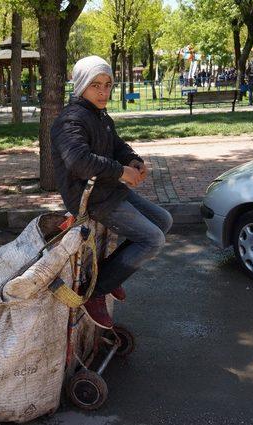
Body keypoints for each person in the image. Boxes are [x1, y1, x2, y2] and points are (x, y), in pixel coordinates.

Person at [51, 56, 173, 329]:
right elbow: (79, 162)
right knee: (153, 241)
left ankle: (109, 275)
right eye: (96, 85)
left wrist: (132, 160)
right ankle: (96, 291)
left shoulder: (99, 114)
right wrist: (120, 172)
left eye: (108, 85)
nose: (103, 92)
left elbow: (116, 144)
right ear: (81, 85)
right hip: (89, 197)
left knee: (164, 221)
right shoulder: (70, 121)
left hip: (108, 189)